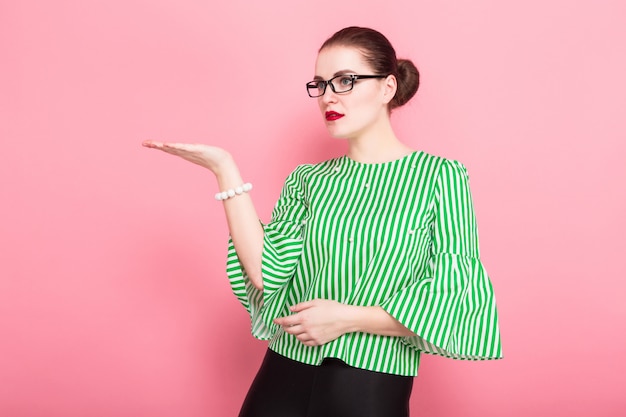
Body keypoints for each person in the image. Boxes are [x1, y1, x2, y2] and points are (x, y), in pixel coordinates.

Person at [143, 26, 502, 417]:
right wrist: (225, 170)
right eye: (320, 84)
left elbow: (451, 300)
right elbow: (267, 273)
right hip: (281, 374)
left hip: (370, 384)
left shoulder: (440, 177)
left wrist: (347, 319)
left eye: (345, 81)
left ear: (387, 88)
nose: (328, 96)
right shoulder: (307, 180)